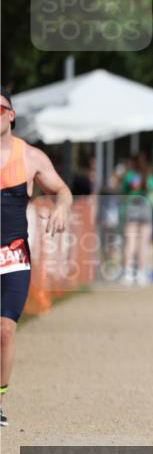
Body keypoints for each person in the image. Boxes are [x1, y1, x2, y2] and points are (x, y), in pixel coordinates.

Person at [0, 86, 73, 426]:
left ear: (11, 115)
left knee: (5, 331)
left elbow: (63, 190)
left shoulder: (31, 157)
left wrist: (62, 207)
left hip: (13, 255)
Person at [120, 156, 153, 285]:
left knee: (130, 241)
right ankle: (141, 273)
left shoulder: (129, 176)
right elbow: (152, 190)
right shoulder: (149, 176)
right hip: (145, 206)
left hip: (132, 206)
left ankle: (127, 273)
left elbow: (123, 192)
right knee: (143, 242)